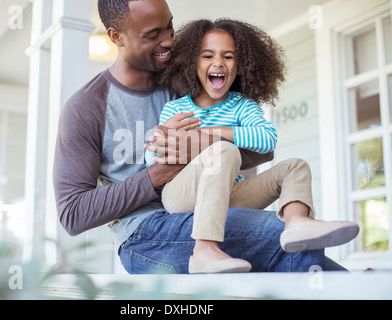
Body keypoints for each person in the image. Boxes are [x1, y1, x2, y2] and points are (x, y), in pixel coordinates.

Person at [53, 0, 348, 274]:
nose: (169, 41)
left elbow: (262, 150)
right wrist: (157, 174)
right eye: (154, 34)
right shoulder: (87, 108)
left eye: (169, 27)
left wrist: (203, 143)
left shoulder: (187, 82)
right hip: (143, 233)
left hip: (215, 203)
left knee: (292, 235)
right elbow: (73, 215)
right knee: (280, 235)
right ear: (116, 36)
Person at [144, 19, 359, 273]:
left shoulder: (242, 106)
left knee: (295, 166)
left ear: (241, 65)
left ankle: (297, 222)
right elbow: (151, 162)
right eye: (207, 55)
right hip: (182, 194)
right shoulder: (176, 108)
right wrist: (162, 136)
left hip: (228, 193)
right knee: (224, 149)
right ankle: (203, 250)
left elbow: (267, 138)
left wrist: (209, 133)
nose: (218, 63)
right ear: (193, 63)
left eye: (229, 56)